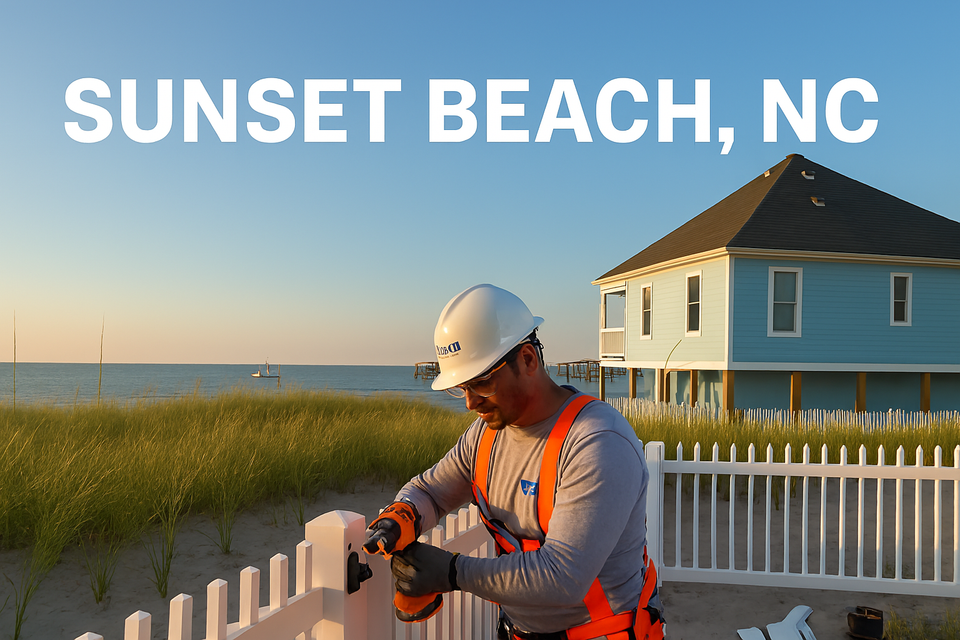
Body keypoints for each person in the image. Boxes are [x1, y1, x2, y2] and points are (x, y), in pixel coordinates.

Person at [369, 284, 664, 640]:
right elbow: (431, 491)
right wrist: (402, 515)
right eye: (461, 387)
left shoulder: (597, 443)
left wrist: (452, 572)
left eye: (481, 383)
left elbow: (563, 577)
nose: (470, 403)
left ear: (527, 359)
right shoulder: (485, 437)